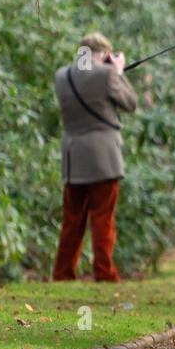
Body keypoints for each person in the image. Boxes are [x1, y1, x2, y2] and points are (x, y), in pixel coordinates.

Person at [53, 32, 138, 283]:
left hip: (73, 156)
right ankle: (104, 272)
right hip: (103, 158)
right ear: (103, 54)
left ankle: (63, 273)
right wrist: (119, 71)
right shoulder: (107, 74)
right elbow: (130, 103)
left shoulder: (62, 75)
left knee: (72, 221)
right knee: (103, 219)